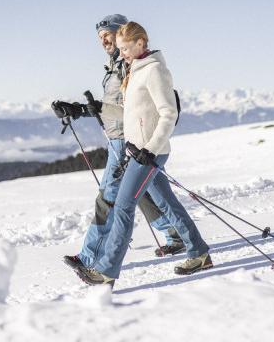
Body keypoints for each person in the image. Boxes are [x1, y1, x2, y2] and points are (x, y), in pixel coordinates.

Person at [76, 21, 213, 286]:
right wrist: (95, 108)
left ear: (141, 43)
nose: (123, 53)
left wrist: (150, 151)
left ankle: (106, 272)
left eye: (126, 48)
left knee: (124, 205)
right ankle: (199, 253)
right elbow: (131, 114)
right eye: (121, 49)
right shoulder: (136, 70)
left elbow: (168, 113)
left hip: (148, 153)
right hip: (140, 151)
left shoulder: (154, 71)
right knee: (166, 202)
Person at [52, 14, 185, 272]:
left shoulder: (128, 65)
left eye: (108, 35)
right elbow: (115, 108)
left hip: (128, 141)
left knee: (108, 199)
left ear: (121, 34)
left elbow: (129, 108)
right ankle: (177, 236)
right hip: (120, 139)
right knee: (148, 193)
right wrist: (78, 110)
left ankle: (90, 257)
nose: (104, 41)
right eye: (100, 38)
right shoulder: (114, 67)